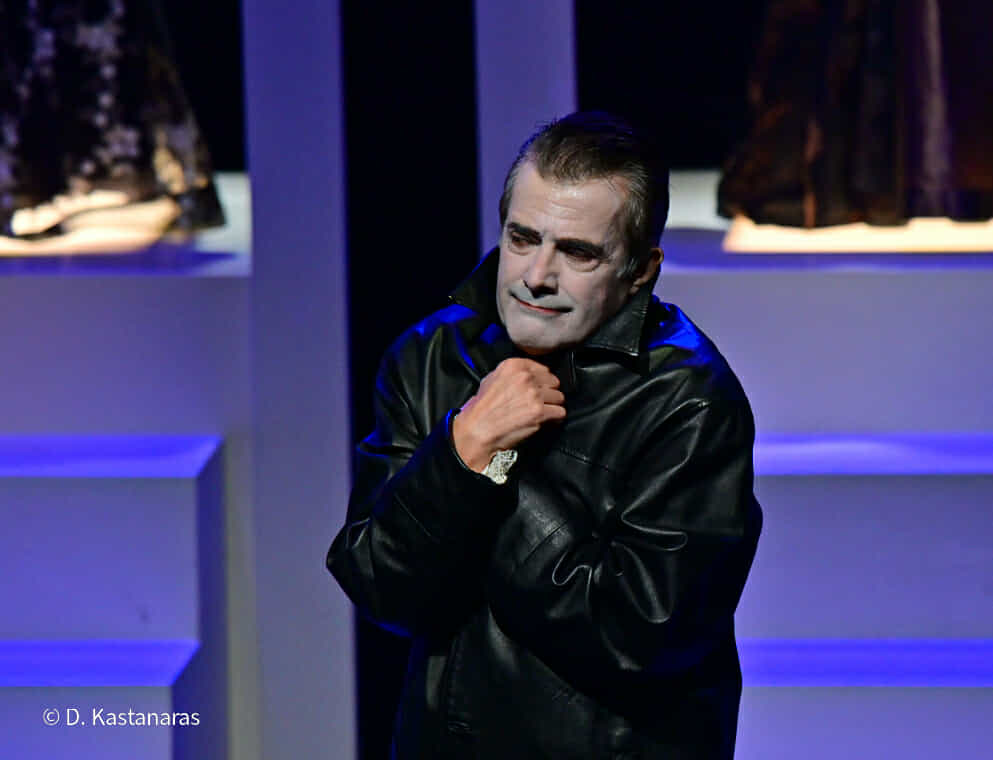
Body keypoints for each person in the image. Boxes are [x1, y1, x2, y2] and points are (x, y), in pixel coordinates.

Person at [328, 111, 762, 759]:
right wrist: (462, 448)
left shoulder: (689, 401)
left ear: (640, 270)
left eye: (577, 252)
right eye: (522, 238)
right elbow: (379, 588)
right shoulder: (432, 356)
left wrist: (492, 462)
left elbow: (639, 635)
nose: (536, 275)